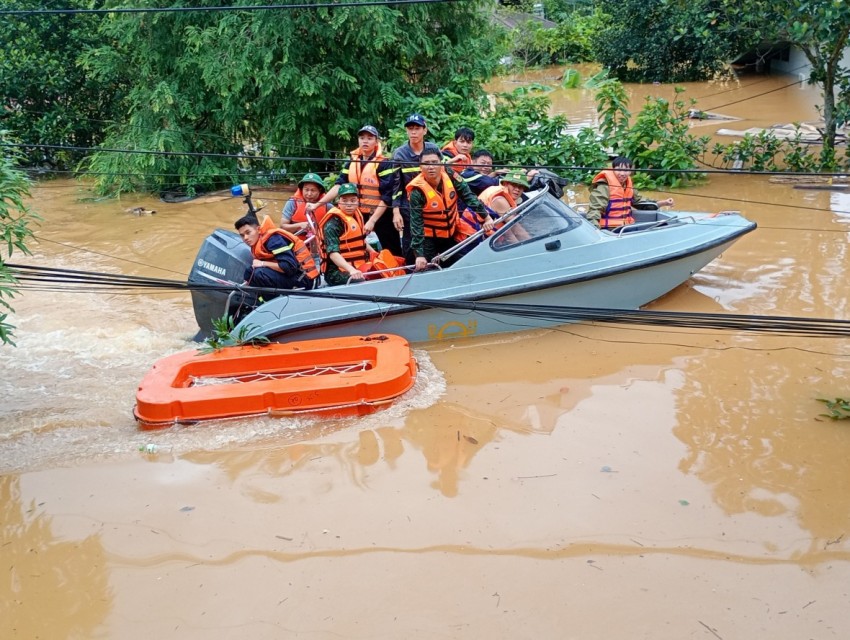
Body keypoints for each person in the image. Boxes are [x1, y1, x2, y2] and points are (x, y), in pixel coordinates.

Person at [307, 125, 396, 255]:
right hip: (357, 213)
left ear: (376, 142)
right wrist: (317, 205)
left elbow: (387, 196)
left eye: (370, 138)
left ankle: (397, 272)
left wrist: (372, 221)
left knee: (391, 249)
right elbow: (338, 186)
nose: (365, 141)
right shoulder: (352, 162)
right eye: (362, 138)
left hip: (380, 215)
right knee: (356, 246)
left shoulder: (384, 164)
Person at [406, 149, 493, 272]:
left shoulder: (450, 174)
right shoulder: (417, 191)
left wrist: (486, 217)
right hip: (428, 238)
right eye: (426, 163)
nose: (431, 167)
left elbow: (468, 196)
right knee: (427, 268)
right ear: (420, 166)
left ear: (441, 164)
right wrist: (419, 254)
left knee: (459, 264)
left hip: (451, 232)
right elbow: (416, 224)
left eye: (434, 162)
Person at [391, 113, 442, 261]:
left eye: (417, 128)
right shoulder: (400, 154)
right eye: (410, 128)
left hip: (433, 205)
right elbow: (396, 184)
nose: (413, 132)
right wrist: (396, 212)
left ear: (425, 130)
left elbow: (442, 176)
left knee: (434, 242)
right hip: (409, 207)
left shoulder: (433, 149)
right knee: (409, 243)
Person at [235, 214, 319, 298]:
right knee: (249, 272)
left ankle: (272, 302)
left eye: (248, 232)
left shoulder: (274, 240)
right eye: (242, 235)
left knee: (259, 273)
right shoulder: (259, 241)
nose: (245, 238)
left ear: (258, 229)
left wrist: (262, 263)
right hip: (292, 275)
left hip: (303, 279)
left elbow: (288, 267)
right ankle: (261, 300)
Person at [587, 156, 674, 229]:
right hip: (610, 229)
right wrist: (595, 230)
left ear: (630, 171)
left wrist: (664, 203)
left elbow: (640, 203)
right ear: (613, 170)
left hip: (626, 227)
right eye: (619, 170)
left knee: (663, 225)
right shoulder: (604, 186)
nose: (622, 174)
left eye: (626, 170)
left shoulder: (628, 185)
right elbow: (595, 210)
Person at [318, 183, 372, 286]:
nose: (349, 204)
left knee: (384, 270)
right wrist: (351, 270)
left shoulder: (357, 215)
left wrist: (374, 253)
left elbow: (360, 241)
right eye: (345, 200)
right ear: (339, 202)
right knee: (360, 280)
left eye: (352, 201)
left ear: (357, 202)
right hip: (336, 271)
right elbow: (333, 253)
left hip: (358, 264)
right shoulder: (332, 223)